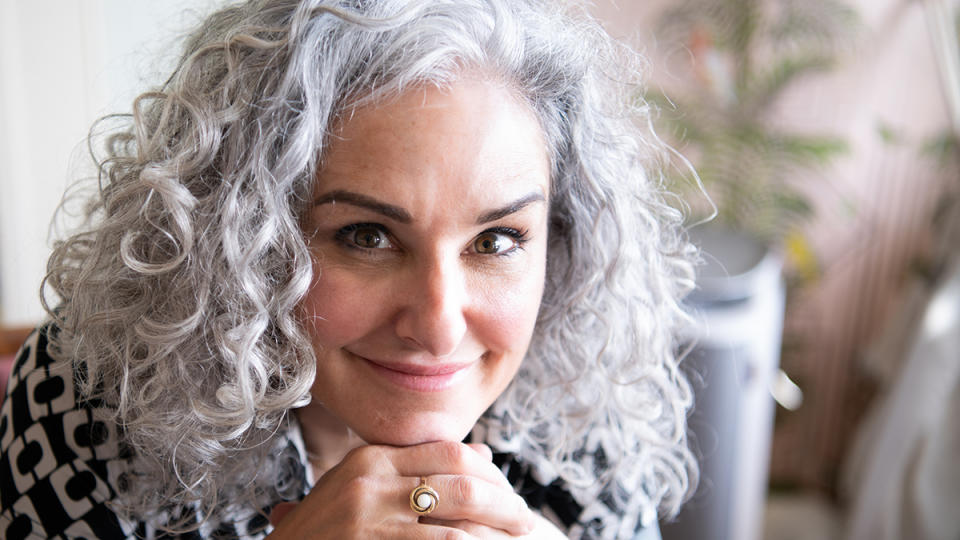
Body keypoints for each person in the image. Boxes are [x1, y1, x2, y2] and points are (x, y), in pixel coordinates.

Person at [0, 0, 698, 538]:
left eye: (496, 240)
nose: (436, 324)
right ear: (241, 234)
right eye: (367, 235)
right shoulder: (85, 401)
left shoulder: (581, 412)